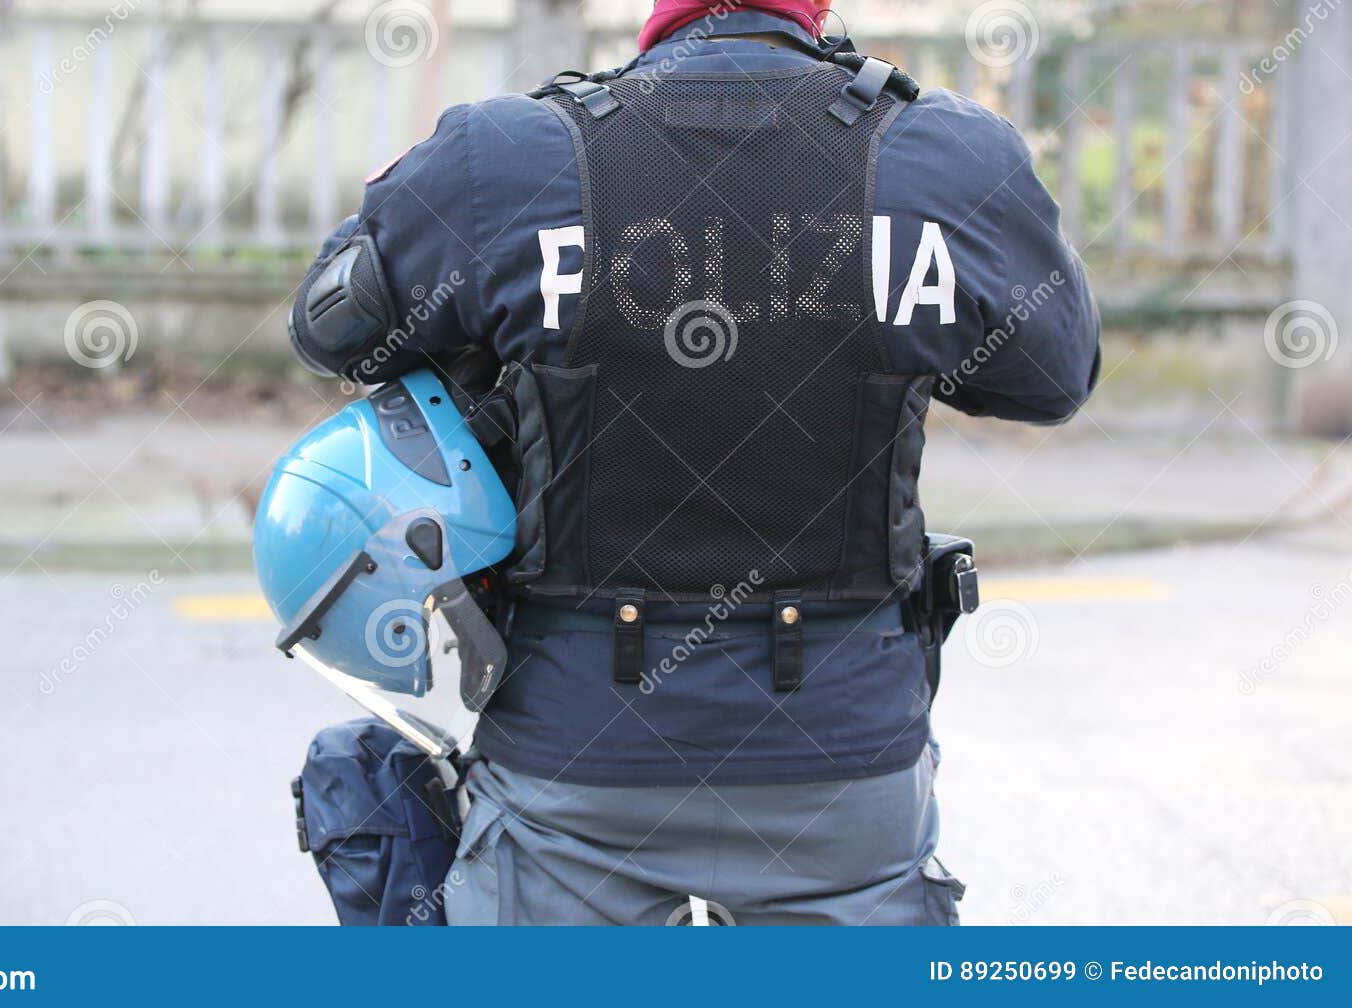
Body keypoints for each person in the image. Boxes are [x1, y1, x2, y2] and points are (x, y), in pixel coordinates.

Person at [287, 0, 1100, 925]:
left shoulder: (505, 157)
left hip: (577, 763)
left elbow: (331, 332)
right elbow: (1055, 378)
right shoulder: (948, 159)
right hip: (845, 763)